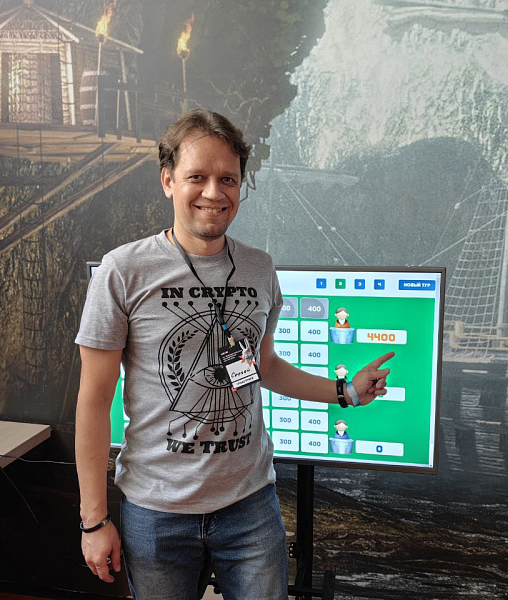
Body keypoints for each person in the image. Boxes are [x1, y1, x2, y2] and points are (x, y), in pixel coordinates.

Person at [74, 108, 393, 600]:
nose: (214, 192)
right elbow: (94, 402)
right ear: (167, 180)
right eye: (196, 177)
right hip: (157, 512)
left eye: (228, 179)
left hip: (250, 505)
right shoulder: (123, 271)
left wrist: (346, 392)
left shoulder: (259, 268)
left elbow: (264, 367)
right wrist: (94, 520)